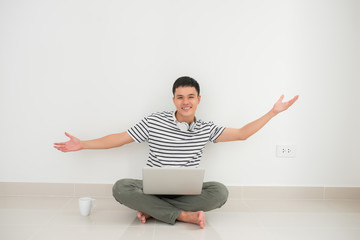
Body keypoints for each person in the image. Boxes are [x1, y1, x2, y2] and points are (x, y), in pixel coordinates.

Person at [54, 76, 299, 228]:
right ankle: (182, 216)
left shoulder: (206, 128)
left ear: (199, 99)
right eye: (180, 97)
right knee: (121, 187)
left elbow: (242, 133)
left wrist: (273, 112)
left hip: (186, 192)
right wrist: (83, 143)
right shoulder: (154, 121)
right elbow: (120, 138)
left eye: (190, 97)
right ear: (173, 100)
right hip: (152, 188)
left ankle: (154, 211)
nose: (185, 101)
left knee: (220, 192)